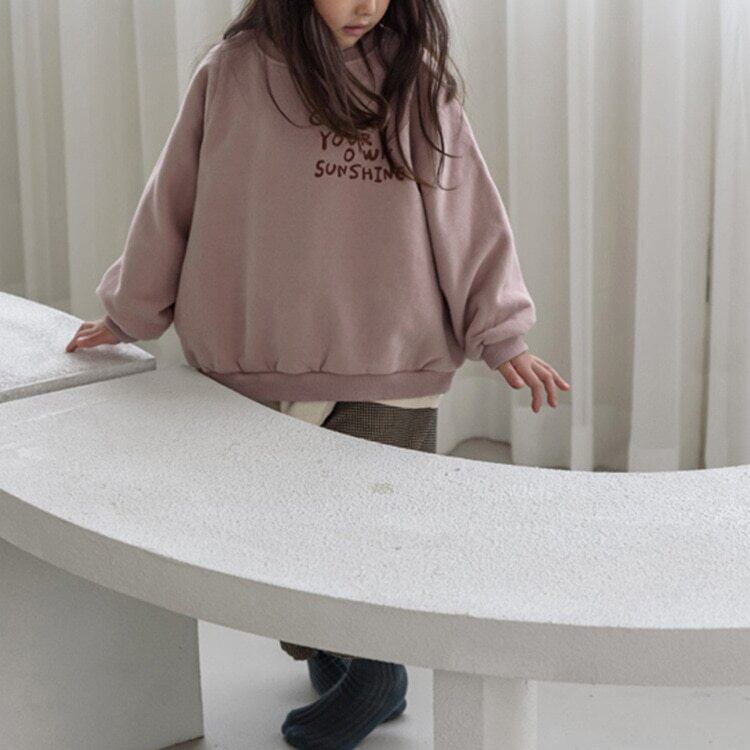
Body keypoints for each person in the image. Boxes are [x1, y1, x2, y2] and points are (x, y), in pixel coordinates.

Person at [65, 0, 570, 747]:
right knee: (279, 549)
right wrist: (130, 311)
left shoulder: (412, 81)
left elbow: (468, 215)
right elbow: (173, 199)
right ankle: (344, 654)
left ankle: (373, 674)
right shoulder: (232, 73)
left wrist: (502, 335)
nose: (366, 4)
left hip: (389, 363)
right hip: (254, 366)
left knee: (369, 541)